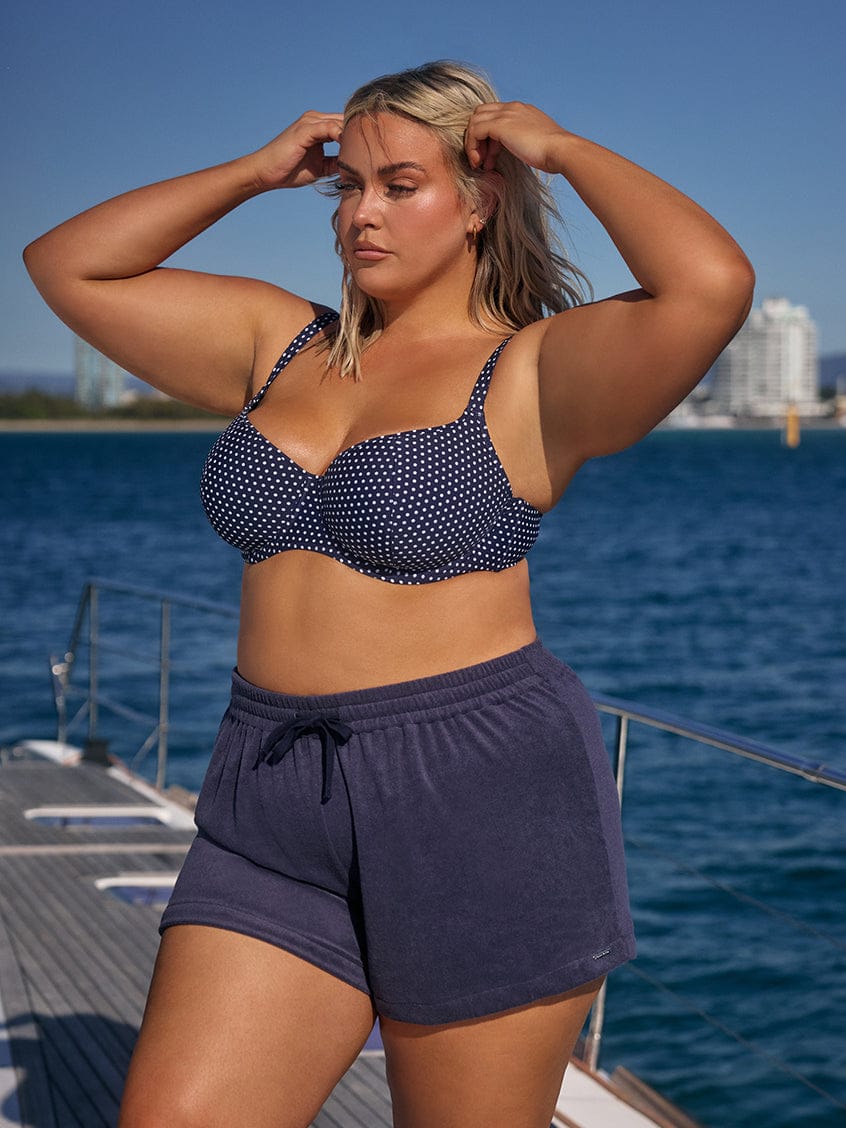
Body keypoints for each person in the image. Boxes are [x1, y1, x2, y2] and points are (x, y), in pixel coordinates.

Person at [24, 60, 753, 1128]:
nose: (360, 214)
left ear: (477, 197)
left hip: (480, 803)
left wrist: (560, 149)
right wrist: (251, 172)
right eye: (345, 187)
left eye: (399, 184)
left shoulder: (534, 373)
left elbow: (710, 287)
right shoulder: (281, 344)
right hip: (267, 792)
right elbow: (68, 268)